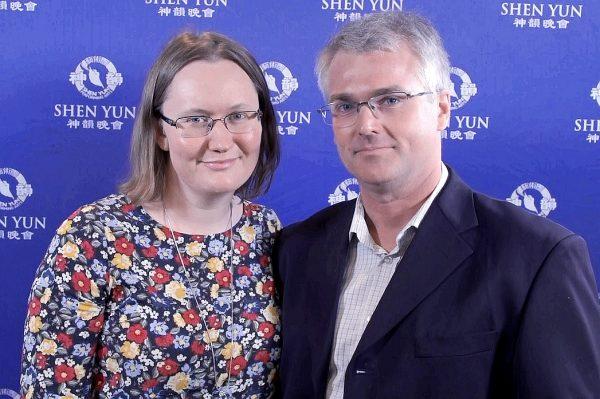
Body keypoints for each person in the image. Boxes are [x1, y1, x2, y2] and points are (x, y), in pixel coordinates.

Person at [275, 11, 600, 398]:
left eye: (390, 99)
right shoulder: (297, 249)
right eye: (346, 106)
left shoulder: (536, 257)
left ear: (442, 109)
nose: (366, 125)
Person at [20, 31, 281, 398]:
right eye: (195, 119)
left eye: (239, 115)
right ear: (160, 131)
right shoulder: (93, 238)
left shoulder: (267, 231)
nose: (221, 141)